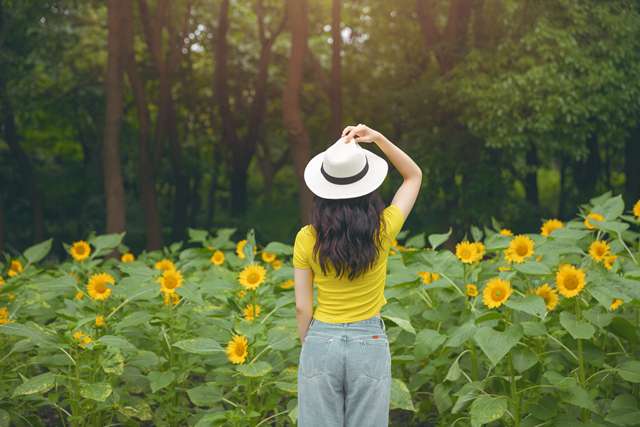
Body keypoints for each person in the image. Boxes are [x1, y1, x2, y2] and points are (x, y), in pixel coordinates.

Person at [293, 123, 422, 426]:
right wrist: (378, 139)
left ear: (322, 190)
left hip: (321, 339)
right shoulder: (383, 230)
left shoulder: (306, 238)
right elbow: (413, 175)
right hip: (370, 340)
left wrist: (311, 344)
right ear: (368, 186)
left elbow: (302, 307)